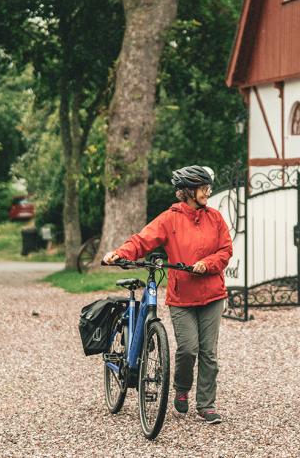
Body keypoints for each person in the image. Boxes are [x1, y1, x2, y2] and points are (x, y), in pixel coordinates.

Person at [103, 165, 232, 424]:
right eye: (202, 188)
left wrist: (207, 263)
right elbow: (142, 240)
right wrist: (120, 253)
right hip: (182, 297)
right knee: (188, 349)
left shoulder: (215, 218)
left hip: (212, 295)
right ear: (188, 192)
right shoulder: (169, 219)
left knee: (209, 353)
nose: (207, 192)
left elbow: (225, 250)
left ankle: (206, 404)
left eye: (208, 187)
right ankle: (181, 388)